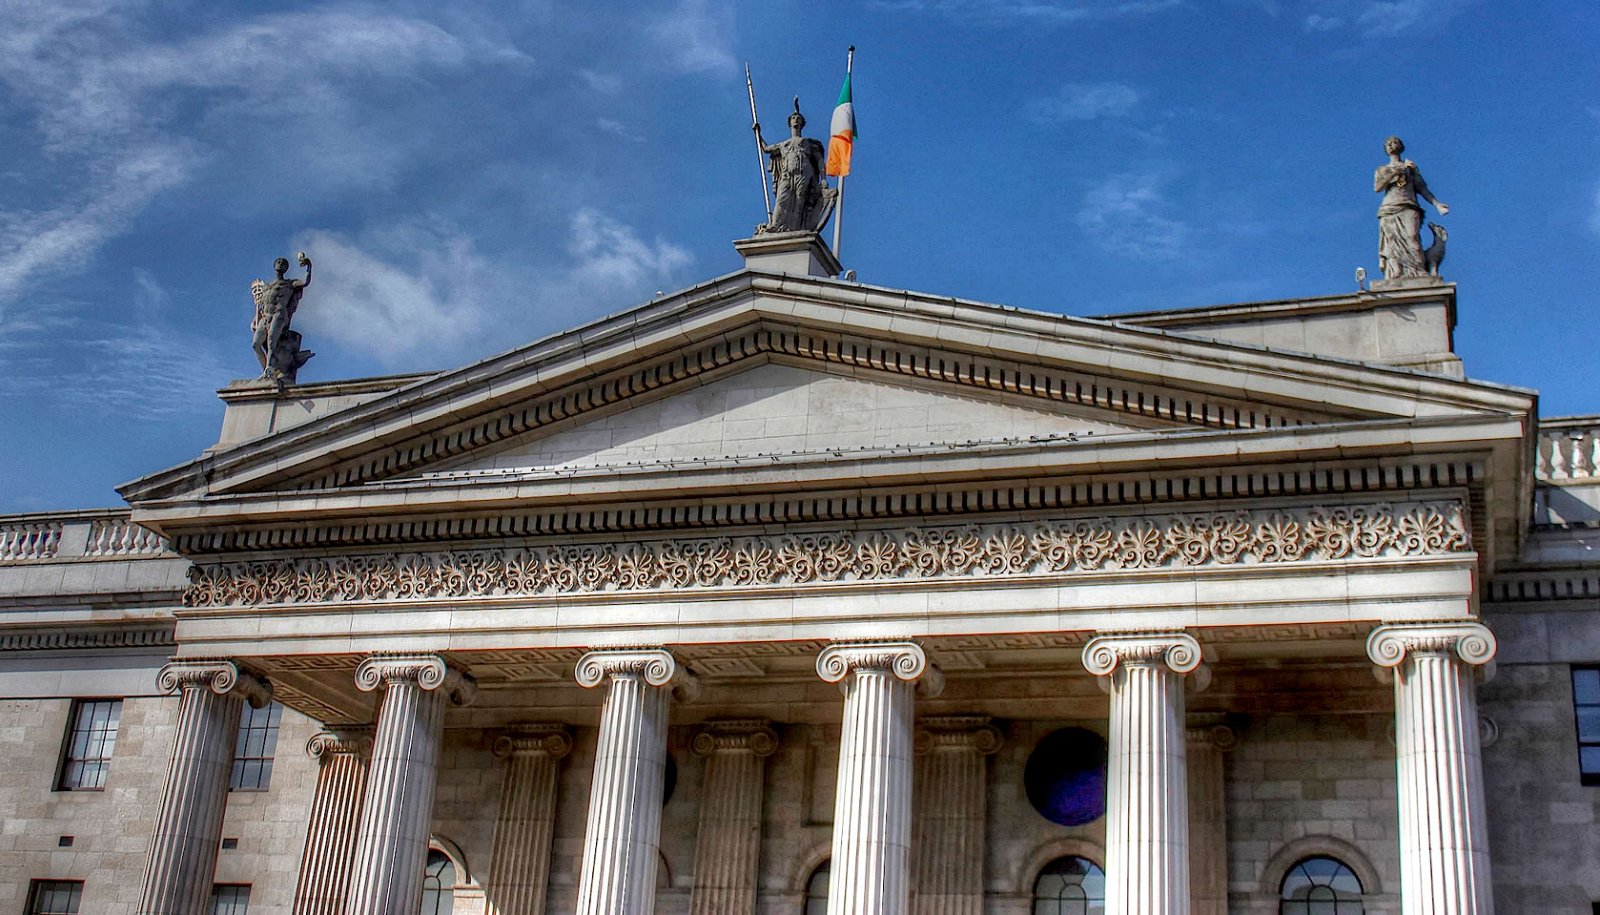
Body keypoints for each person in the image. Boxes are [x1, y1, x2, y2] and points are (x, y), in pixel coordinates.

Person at [1374, 136, 1449, 279]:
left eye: (1394, 142)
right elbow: (1378, 187)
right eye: (1388, 144)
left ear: (1401, 146)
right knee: (1393, 242)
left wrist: (1437, 204)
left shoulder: (1411, 168)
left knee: (1412, 237)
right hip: (1389, 208)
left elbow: (1422, 188)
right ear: (1386, 149)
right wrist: (1397, 170)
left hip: (1409, 206)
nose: (1391, 145)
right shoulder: (1382, 169)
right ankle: (1396, 272)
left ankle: (1418, 271)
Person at [755, 100, 831, 233]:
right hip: (787, 174)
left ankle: (797, 228)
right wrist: (758, 134)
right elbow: (766, 149)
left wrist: (823, 178)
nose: (796, 120)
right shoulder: (783, 144)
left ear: (802, 123)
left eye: (798, 118)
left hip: (803, 173)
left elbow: (819, 161)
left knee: (800, 200)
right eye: (794, 118)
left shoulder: (808, 143)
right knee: (781, 199)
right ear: (789, 122)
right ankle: (775, 225)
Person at [252, 253, 313, 380]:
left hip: (279, 314)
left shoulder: (290, 284)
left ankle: (269, 367)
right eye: (278, 262)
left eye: (283, 263)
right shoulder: (267, 287)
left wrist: (308, 266)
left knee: (271, 342)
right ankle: (267, 370)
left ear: (286, 268)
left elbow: (306, 282)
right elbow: (261, 306)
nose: (280, 263)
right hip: (266, 316)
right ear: (275, 266)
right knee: (256, 344)